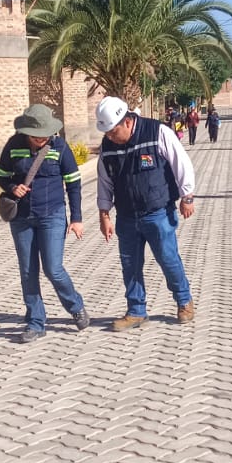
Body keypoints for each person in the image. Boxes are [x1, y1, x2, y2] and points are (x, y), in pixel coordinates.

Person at [94, 96, 197, 331]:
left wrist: (187, 196)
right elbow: (104, 181)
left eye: (112, 131)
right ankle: (136, 311)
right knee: (130, 265)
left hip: (158, 212)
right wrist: (104, 214)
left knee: (168, 259)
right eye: (106, 132)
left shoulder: (157, 132)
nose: (109, 136)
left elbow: (181, 163)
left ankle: (184, 301)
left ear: (127, 122)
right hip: (127, 216)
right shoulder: (108, 146)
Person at [0, 104, 88, 344]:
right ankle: (36, 321)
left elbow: (74, 183)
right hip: (22, 218)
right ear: (25, 131)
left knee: (53, 269)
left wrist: (76, 218)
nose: (41, 138)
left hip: (52, 215)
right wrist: (12, 187)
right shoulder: (13, 146)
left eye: (44, 134)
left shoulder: (59, 147)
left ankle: (75, 305)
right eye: (36, 135)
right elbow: (1, 174)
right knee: (28, 271)